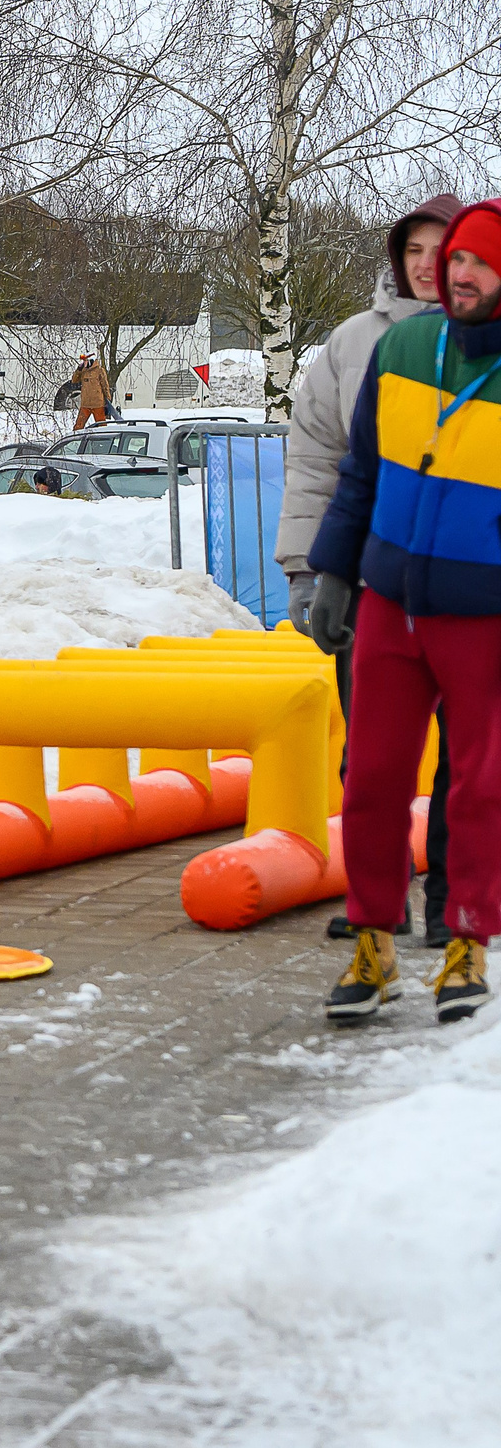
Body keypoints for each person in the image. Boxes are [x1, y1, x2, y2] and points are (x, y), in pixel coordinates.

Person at [306, 200, 501, 1027]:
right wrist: (333, 575)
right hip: (389, 602)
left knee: (480, 786)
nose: (459, 273)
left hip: (481, 612)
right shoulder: (403, 346)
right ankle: (374, 941)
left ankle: (465, 941)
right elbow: (358, 474)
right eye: (457, 259)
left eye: (481, 265)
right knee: (373, 776)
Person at [279, 193, 461, 944]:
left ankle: (456, 901)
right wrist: (306, 569)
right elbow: (320, 459)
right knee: (373, 758)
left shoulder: (489, 341)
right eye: (413, 250)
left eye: (440, 250)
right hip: (370, 580)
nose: (425, 264)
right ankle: (375, 901)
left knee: (473, 756)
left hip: (468, 583)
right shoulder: (353, 344)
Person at [70, 354, 109, 429]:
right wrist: (78, 370)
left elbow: (105, 386)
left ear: (91, 361)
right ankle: (75, 439)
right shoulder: (83, 371)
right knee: (78, 426)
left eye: (85, 361)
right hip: (85, 404)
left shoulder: (99, 370)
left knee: (102, 427)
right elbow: (74, 380)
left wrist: (107, 401)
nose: (84, 363)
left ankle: (104, 439)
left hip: (98, 404)